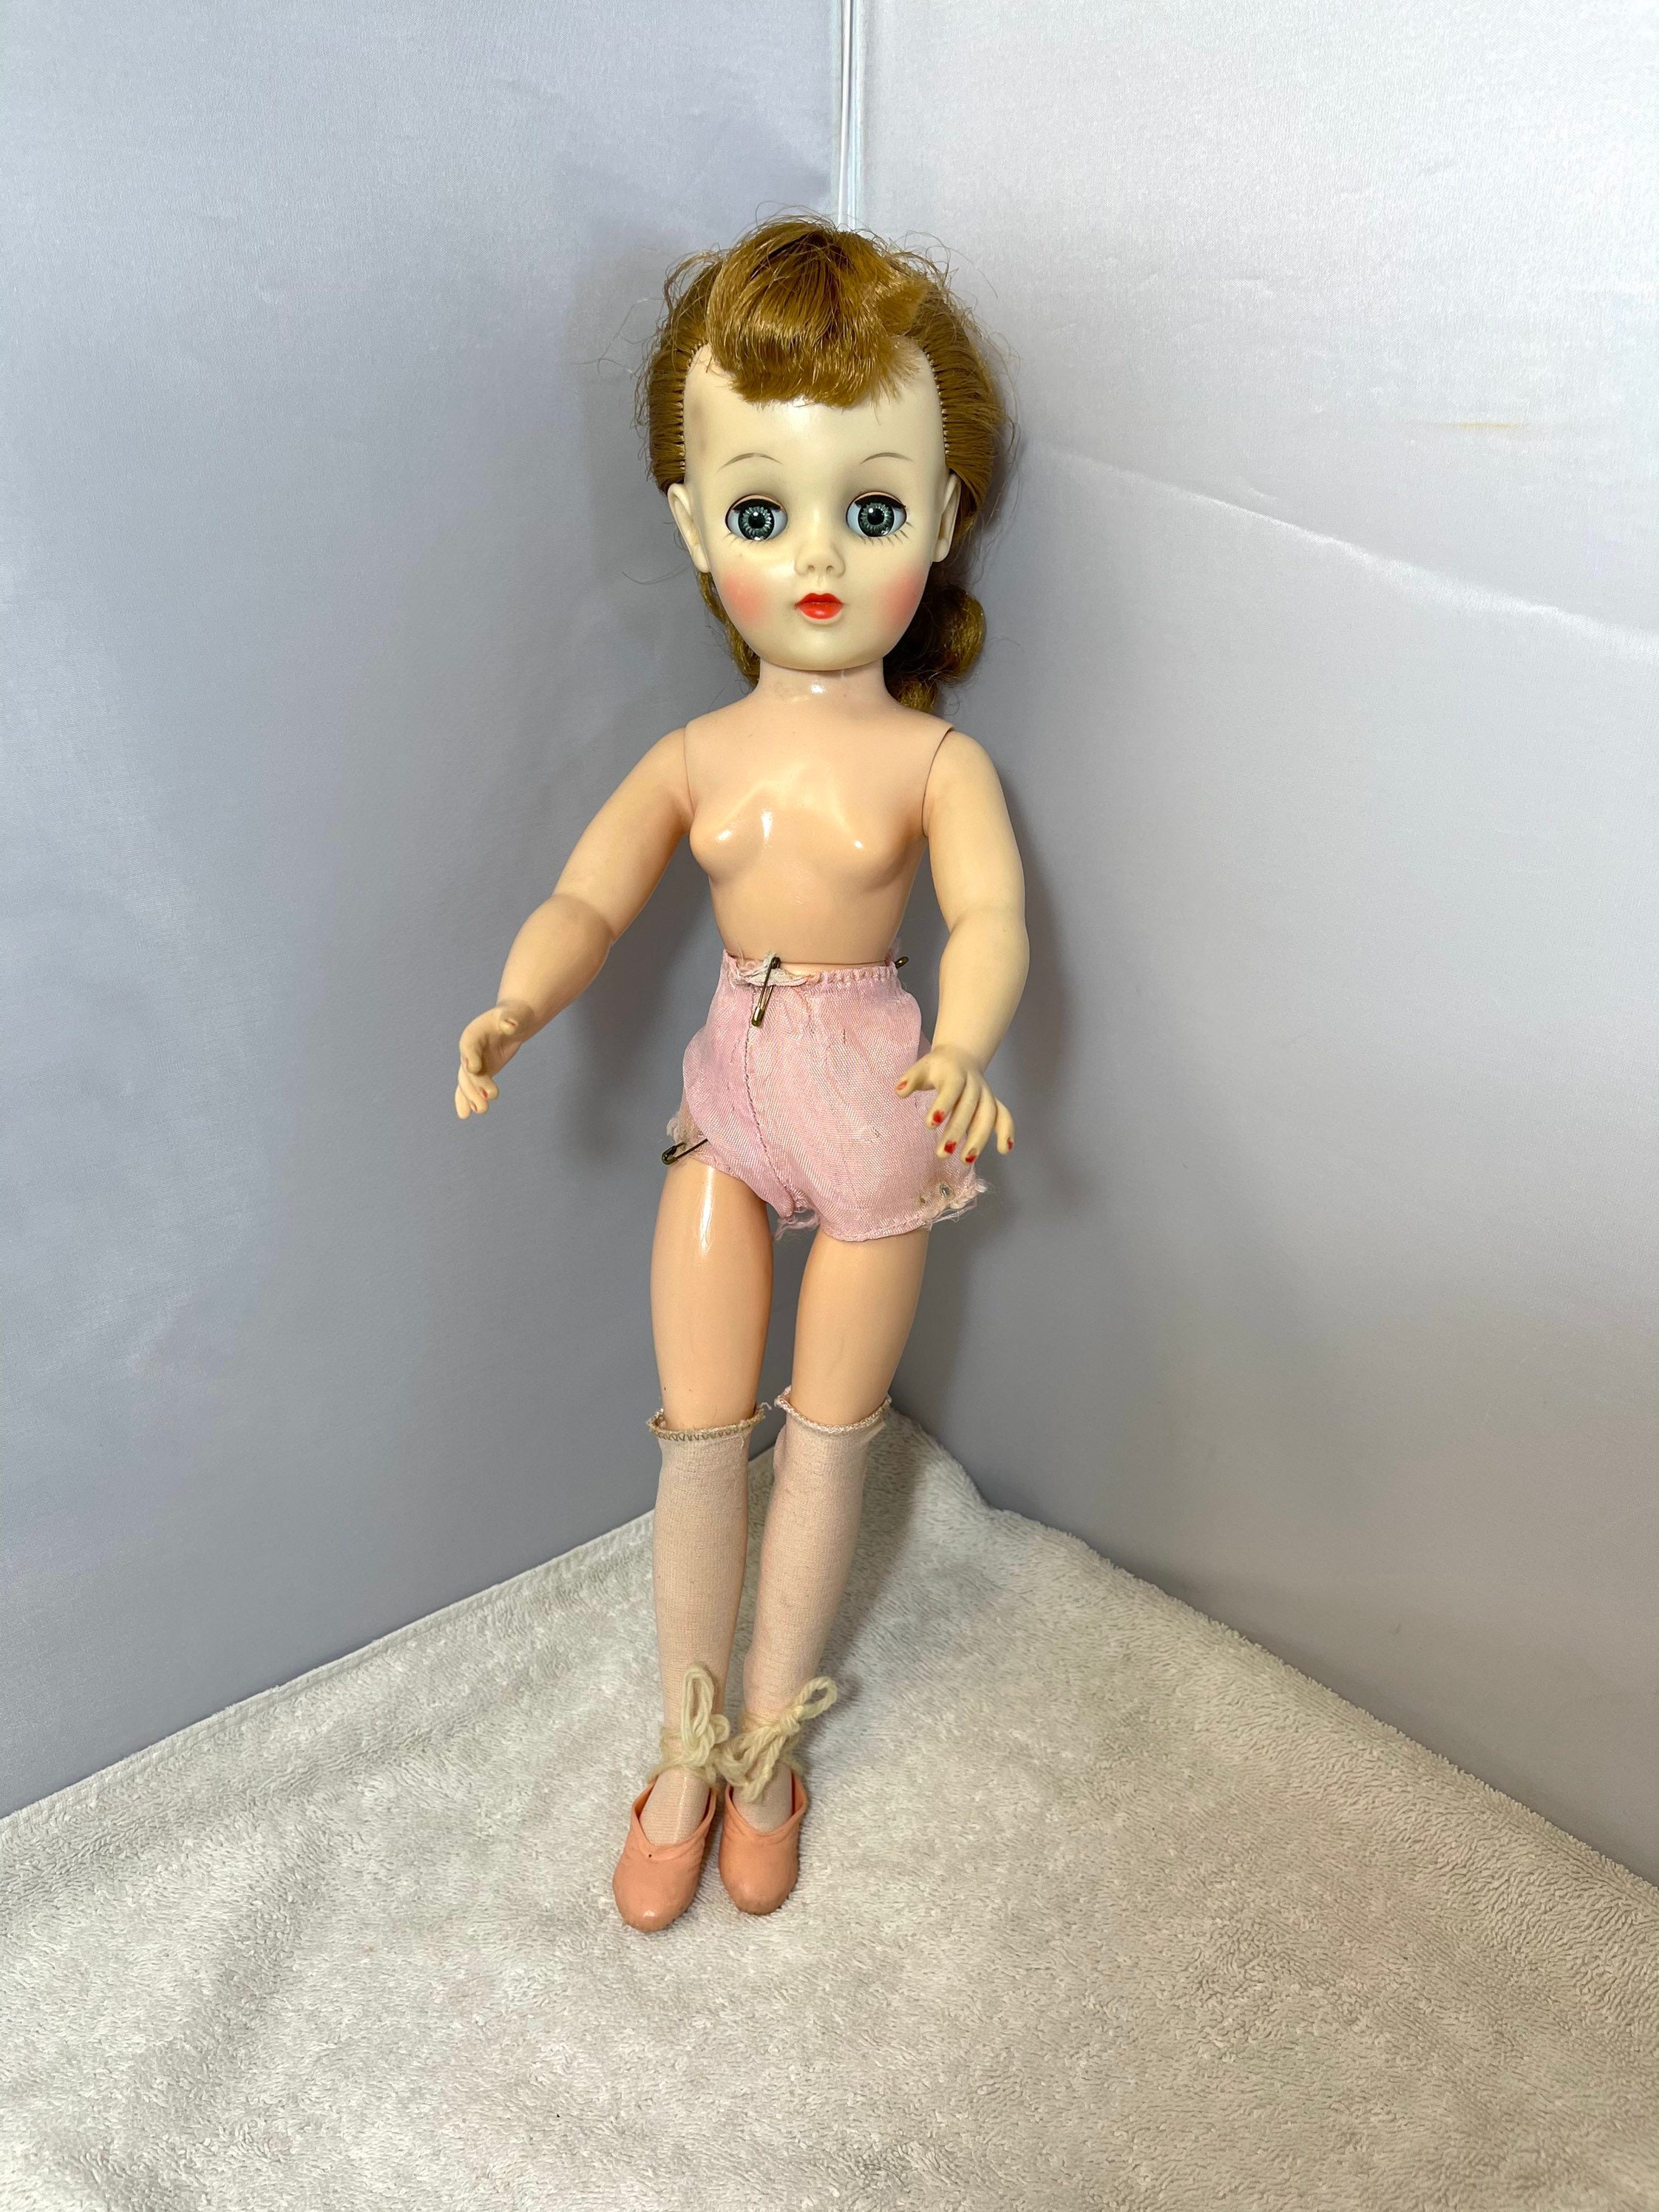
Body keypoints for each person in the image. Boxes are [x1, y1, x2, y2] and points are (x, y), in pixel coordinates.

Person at [454, 217, 1028, 1930]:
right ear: (697, 525)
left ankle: (767, 1742)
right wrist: (519, 1001)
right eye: (765, 513)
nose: (819, 556)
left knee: (830, 1438)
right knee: (701, 1436)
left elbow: (989, 917)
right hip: (729, 1096)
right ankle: (685, 1742)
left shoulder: (934, 760)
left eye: (873, 510)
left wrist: (965, 1042)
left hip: (879, 1100)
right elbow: (588, 895)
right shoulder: (695, 754)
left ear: (942, 517)